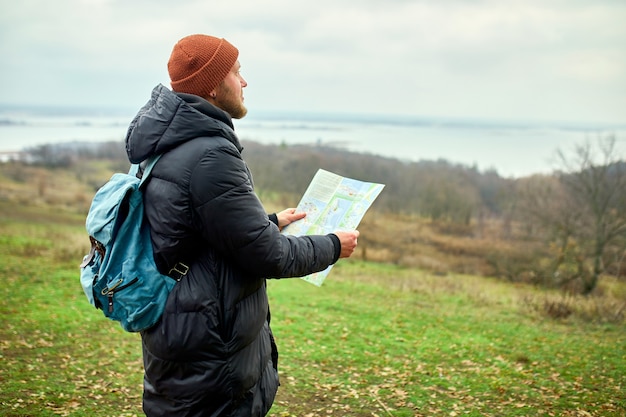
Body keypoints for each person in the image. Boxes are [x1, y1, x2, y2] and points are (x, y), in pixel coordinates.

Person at [125, 34, 360, 417]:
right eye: (237, 72)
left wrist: (269, 222)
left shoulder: (168, 142)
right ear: (214, 87)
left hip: (179, 327)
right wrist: (333, 244)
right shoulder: (210, 154)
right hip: (211, 342)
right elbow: (268, 255)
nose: (245, 82)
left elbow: (199, 232)